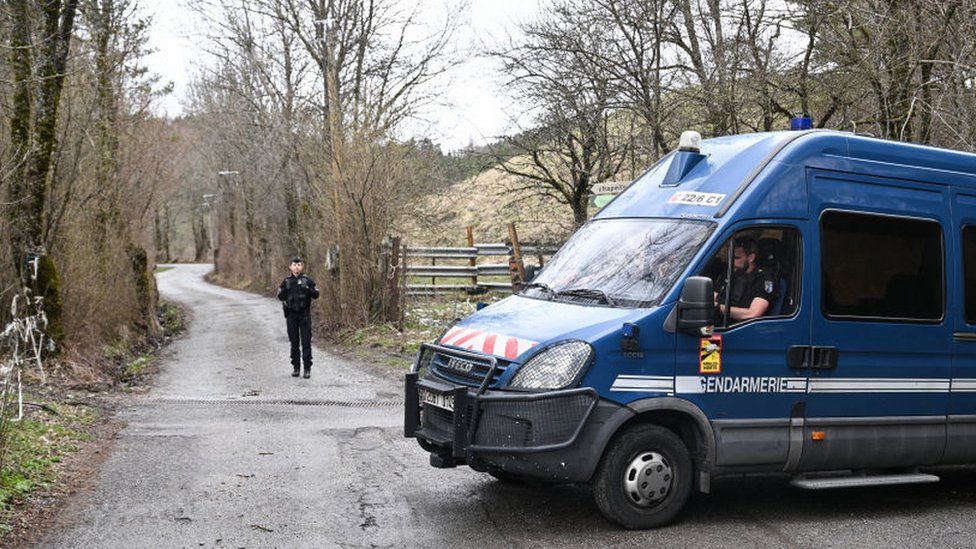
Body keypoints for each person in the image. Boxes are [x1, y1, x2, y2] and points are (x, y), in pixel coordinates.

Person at [715, 237, 777, 322]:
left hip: (742, 328)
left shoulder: (764, 278)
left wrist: (719, 308)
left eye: (737, 258)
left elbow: (753, 313)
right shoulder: (731, 272)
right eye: (730, 257)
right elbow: (714, 295)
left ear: (751, 258)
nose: (732, 262)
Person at [277, 257, 320, 378]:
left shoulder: (308, 280)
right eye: (294, 265)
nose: (297, 267)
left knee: (306, 343)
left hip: (304, 315)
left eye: (299, 265)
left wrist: (308, 288)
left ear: (302, 267)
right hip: (291, 316)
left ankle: (307, 369)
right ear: (290, 267)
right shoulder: (286, 281)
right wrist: (284, 291)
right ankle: (296, 367)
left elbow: (316, 294)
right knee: (294, 342)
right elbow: (280, 296)